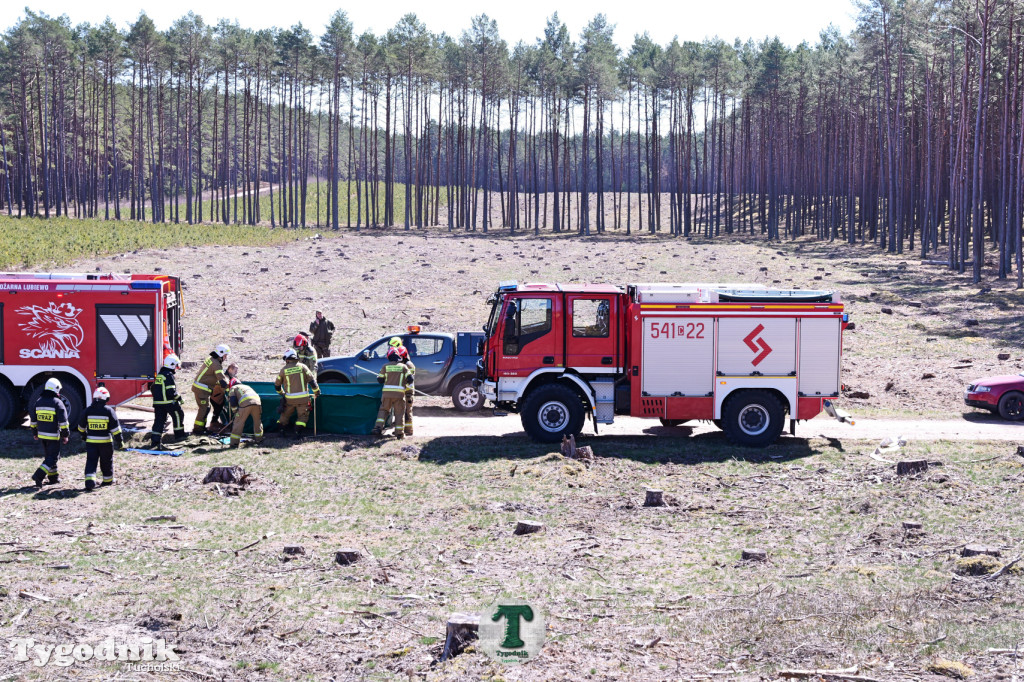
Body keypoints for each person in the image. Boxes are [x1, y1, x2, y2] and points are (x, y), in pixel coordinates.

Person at [78, 387, 123, 491]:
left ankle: (89, 481)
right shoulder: (109, 411)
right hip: (106, 443)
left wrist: (83, 435)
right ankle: (107, 480)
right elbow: (115, 428)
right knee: (106, 461)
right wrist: (119, 441)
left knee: (91, 461)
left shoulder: (87, 411)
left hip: (91, 443)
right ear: (105, 398)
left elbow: (81, 427)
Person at [30, 378, 70, 488]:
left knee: (49, 456)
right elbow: (64, 423)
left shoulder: (38, 402)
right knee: (53, 457)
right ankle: (39, 475)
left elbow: (33, 421)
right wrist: (65, 435)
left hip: (42, 435)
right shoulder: (58, 403)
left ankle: (53, 478)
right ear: (55, 389)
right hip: (53, 436)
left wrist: (34, 432)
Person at [274, 348, 320, 438]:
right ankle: (297, 432)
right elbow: (312, 381)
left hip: (289, 400)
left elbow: (277, 385)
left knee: (285, 416)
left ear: (287, 359)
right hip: (303, 399)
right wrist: (316, 392)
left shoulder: (283, 370)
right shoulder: (303, 367)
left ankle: (281, 431)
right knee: (302, 417)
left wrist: (282, 393)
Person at [191, 344, 231, 435]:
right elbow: (222, 381)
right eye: (225, 355)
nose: (226, 358)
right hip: (201, 390)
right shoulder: (216, 364)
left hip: (201, 388)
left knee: (206, 408)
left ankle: (201, 427)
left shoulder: (211, 359)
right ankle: (198, 429)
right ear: (221, 354)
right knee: (204, 409)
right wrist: (230, 386)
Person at [373, 348, 412, 439]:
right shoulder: (403, 367)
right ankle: (399, 433)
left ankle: (378, 428)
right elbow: (411, 379)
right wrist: (404, 382)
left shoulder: (385, 366)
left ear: (388, 357)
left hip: (387, 395)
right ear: (398, 357)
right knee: (399, 413)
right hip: (399, 395)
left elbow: (380, 380)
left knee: (383, 410)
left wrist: (380, 376)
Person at [150, 354, 185, 448]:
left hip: (158, 403)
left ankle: (155, 441)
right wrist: (179, 399)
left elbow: (152, 388)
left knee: (159, 421)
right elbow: (171, 391)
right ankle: (179, 436)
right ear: (172, 365)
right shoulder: (168, 375)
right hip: (168, 402)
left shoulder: (160, 375)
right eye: (176, 366)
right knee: (178, 414)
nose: (176, 368)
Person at [226, 379, 263, 448]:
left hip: (246, 404)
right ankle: (259, 440)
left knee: (238, 423)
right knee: (257, 422)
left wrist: (235, 411)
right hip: (257, 403)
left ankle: (234, 444)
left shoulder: (233, 388)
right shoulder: (247, 387)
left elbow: (233, 400)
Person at [397, 344, 416, 437]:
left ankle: (408, 430)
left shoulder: (409, 365)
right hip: (404, 391)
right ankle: (402, 429)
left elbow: (408, 379)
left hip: (408, 392)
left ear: (403, 356)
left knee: (407, 411)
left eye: (400, 356)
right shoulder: (405, 364)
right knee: (402, 411)